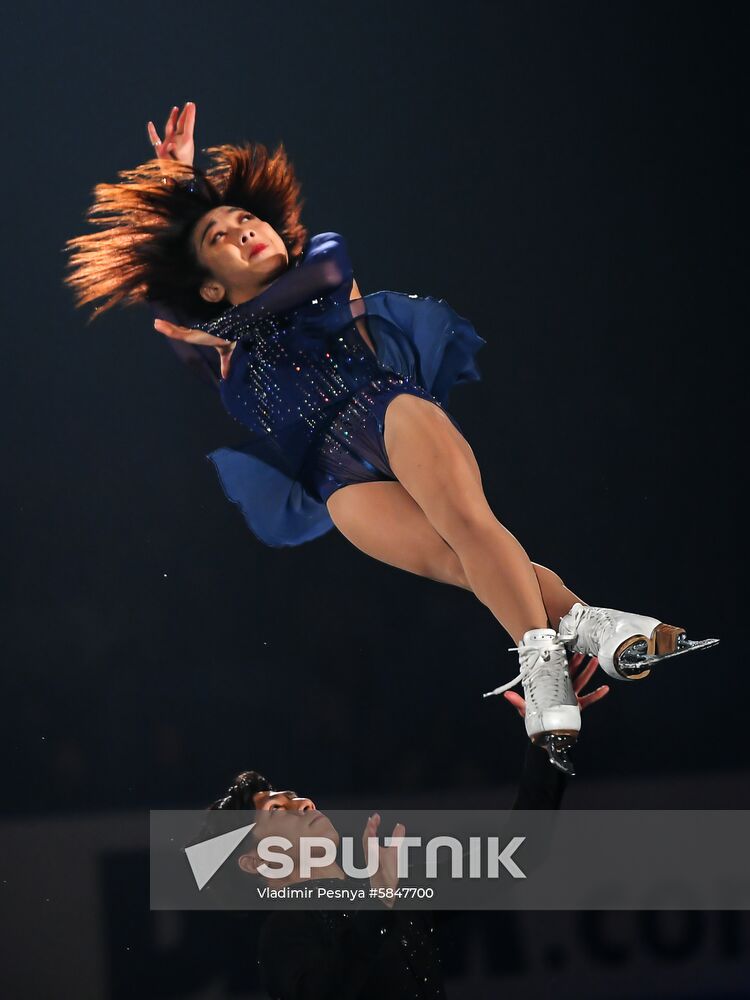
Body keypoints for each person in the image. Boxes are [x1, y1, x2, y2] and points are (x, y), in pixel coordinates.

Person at [63, 102, 717, 773]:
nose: (244, 230)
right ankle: (596, 626)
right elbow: (165, 309)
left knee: (470, 526)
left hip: (388, 412)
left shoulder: (321, 263)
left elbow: (272, 293)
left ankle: (546, 678)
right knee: (464, 568)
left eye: (247, 219)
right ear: (207, 282)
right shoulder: (216, 353)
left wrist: (204, 231)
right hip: (334, 479)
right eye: (222, 237)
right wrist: (177, 192)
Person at [203, 654, 608, 999]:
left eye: (293, 795)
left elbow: (520, 853)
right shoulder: (284, 931)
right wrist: (377, 905)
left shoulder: (395, 889)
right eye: (277, 810)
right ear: (254, 861)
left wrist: (546, 740)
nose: (303, 802)